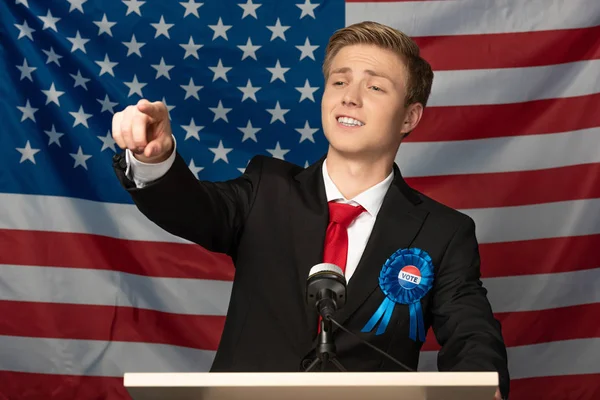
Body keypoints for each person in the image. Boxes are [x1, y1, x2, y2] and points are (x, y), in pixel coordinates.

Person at [111, 21, 509, 399]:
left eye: (374, 86)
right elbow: (192, 208)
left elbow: (470, 331)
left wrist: (476, 386)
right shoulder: (266, 189)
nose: (349, 96)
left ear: (409, 117)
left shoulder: (443, 232)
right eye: (339, 81)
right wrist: (155, 159)